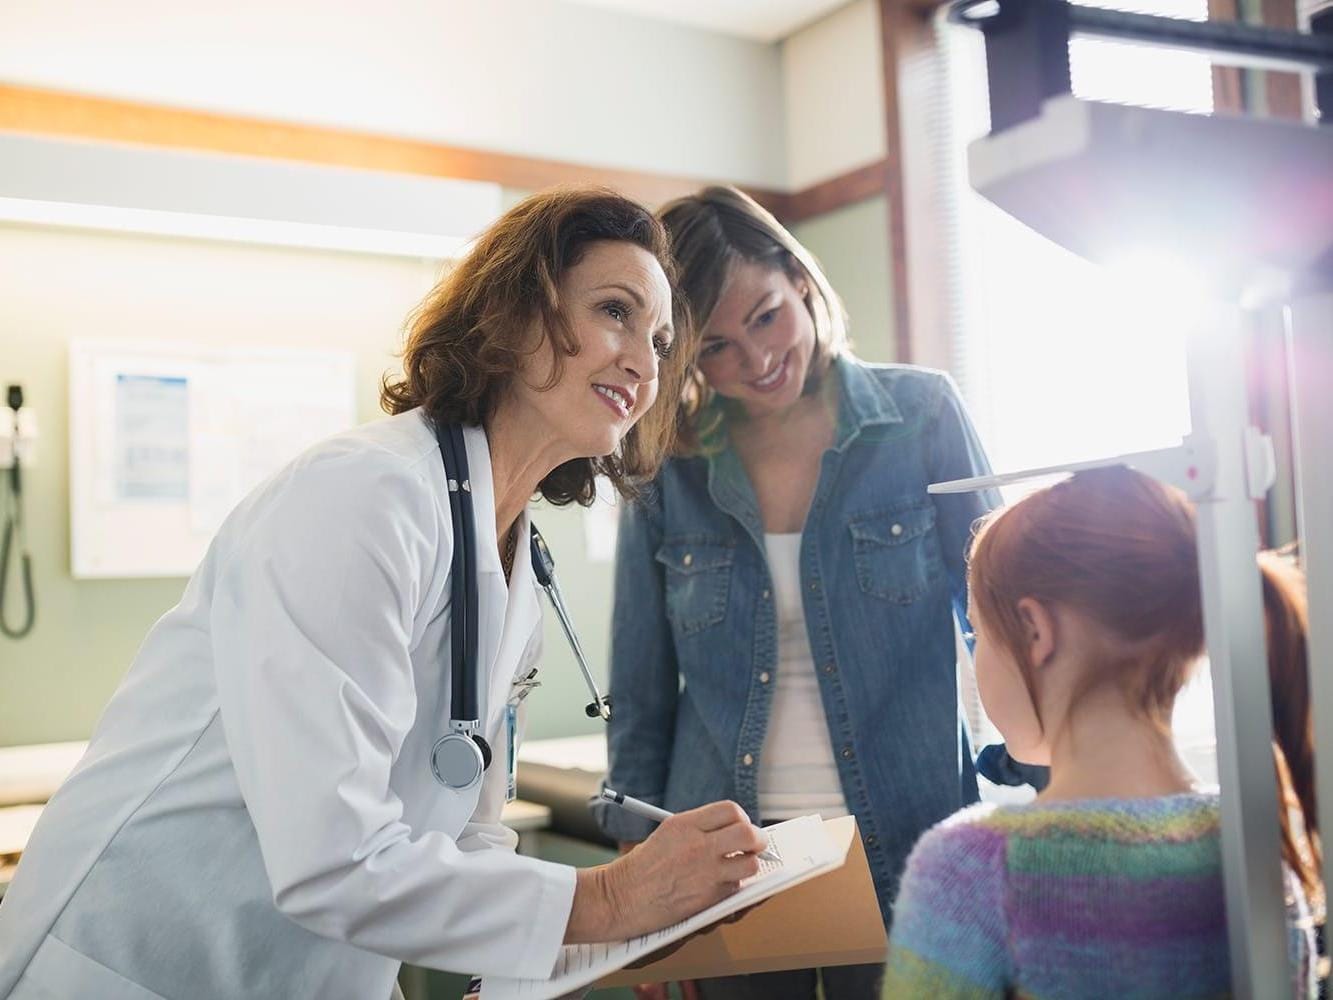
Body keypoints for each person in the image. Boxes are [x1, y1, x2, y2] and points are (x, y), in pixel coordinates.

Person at [0, 187, 771, 1000]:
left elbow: (464, 831)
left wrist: (552, 951)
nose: (645, 364)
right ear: (512, 316)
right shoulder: (362, 496)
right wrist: (607, 900)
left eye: (660, 341)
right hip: (132, 964)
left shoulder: (512, 560)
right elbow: (335, 859)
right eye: (615, 311)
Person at [592, 186, 997, 1000]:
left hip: (904, 841)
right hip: (725, 857)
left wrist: (1045, 775)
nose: (755, 360)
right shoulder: (670, 467)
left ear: (800, 279)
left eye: (766, 317)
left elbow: (1000, 621)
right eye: (716, 347)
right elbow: (639, 689)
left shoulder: (921, 416)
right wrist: (635, 882)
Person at [885, 466, 1321, 997]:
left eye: (978, 633)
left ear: (1035, 630)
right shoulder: (1259, 848)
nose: (976, 658)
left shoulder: (971, 869)